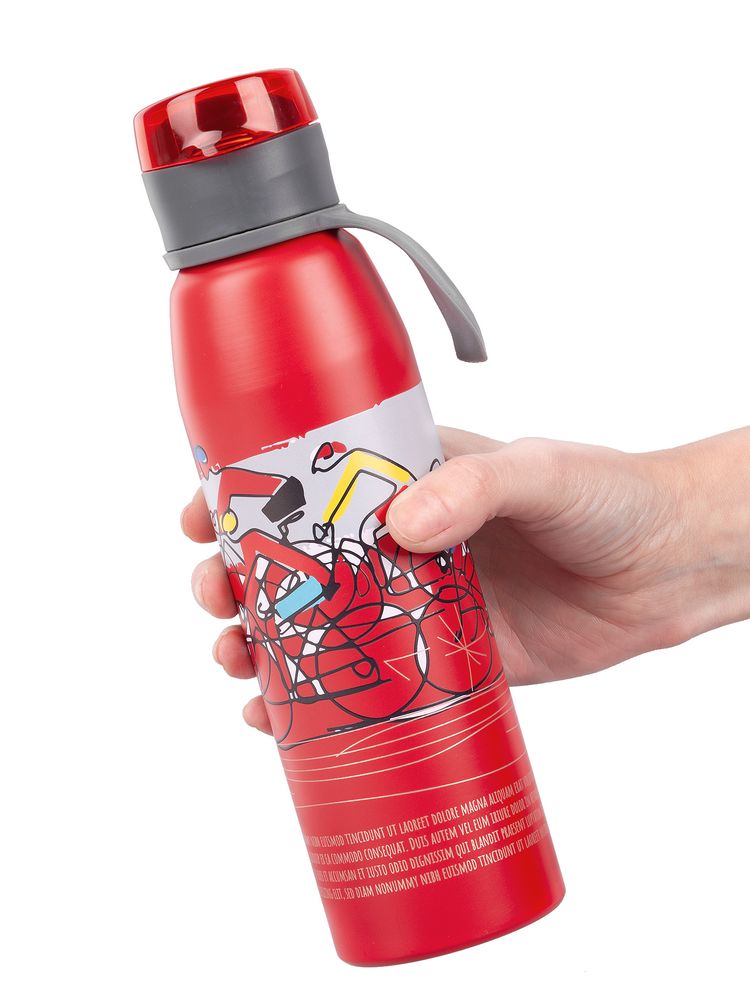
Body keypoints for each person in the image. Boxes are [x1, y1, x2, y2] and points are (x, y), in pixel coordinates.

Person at [181, 426, 750, 735]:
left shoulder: (294, 528)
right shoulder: (266, 538)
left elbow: (318, 557)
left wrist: (675, 529)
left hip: (350, 581)